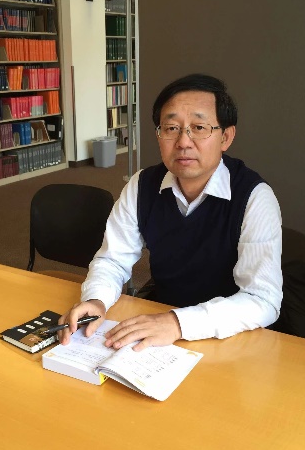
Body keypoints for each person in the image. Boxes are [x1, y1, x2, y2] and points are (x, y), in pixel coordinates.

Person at [58, 74, 282, 351]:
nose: (183, 142)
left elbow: (263, 299)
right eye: (171, 128)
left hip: (230, 336)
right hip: (159, 322)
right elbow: (113, 260)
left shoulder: (255, 197)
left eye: (199, 127)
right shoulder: (142, 185)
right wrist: (96, 300)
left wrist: (178, 323)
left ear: (226, 137)